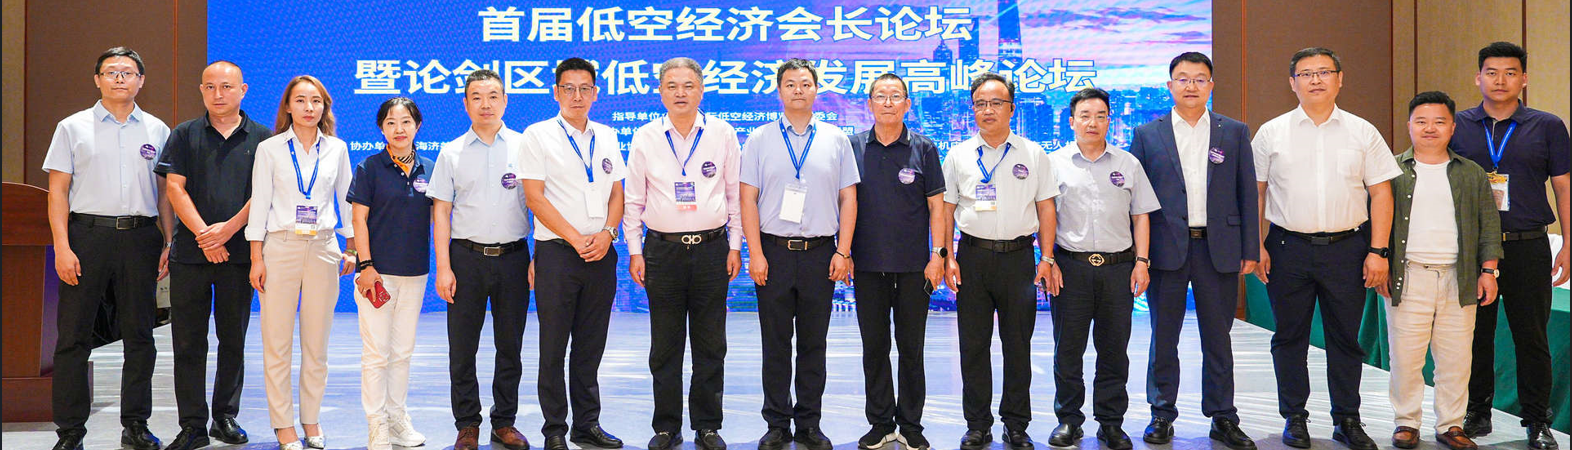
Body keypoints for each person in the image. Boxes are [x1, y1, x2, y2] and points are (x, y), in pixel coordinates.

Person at [1251, 47, 1399, 450]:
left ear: (1339, 78)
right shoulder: (1271, 132)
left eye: (1324, 72)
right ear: (1292, 82)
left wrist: (1378, 250)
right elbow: (1256, 193)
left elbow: (1381, 194)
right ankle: (1294, 418)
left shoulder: (1362, 131)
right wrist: (1256, 244)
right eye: (1306, 73)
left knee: (1345, 339)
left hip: (1348, 248)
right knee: (1289, 337)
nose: (1315, 80)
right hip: (1287, 247)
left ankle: (1347, 419)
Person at [43, 46, 172, 450]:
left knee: (140, 335)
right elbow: (57, 192)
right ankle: (70, 431)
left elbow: (165, 193)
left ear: (141, 81)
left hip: (140, 237)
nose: (120, 78)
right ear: (97, 79)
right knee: (73, 336)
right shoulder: (72, 127)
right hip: (86, 237)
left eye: (128, 72)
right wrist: (62, 247)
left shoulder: (157, 130)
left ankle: (135, 425)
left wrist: (168, 241)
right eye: (111, 71)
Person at [1128, 52, 1258, 450]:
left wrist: (1250, 247)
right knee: (1163, 337)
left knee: (1218, 337)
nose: (1191, 86)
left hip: (1218, 249)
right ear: (1169, 86)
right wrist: (1139, 256)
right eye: (1183, 79)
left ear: (1211, 86)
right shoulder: (1147, 134)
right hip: (1165, 249)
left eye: (1200, 79)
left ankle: (1223, 417)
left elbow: (1247, 192)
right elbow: (1135, 200)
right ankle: (1161, 413)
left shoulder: (1233, 131)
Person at [1452, 41, 1568, 450]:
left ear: (1524, 79)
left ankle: (1537, 421)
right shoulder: (1458, 124)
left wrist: (1569, 244)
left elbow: (1563, 186)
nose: (1500, 80)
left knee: (1531, 337)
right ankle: (1476, 411)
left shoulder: (1547, 125)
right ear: (1477, 78)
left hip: (1527, 244)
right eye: (1491, 72)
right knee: (1474, 334)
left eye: (1510, 73)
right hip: (1471, 247)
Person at [741, 58, 860, 450]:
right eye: (790, 84)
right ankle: (777, 423)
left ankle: (809, 423)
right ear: (779, 91)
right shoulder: (759, 139)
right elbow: (747, 199)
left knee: (813, 344)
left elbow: (848, 198)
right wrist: (755, 253)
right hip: (773, 252)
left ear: (815, 90)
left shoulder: (836, 139)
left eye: (805, 83)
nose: (798, 90)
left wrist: (843, 250)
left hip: (819, 254)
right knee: (775, 344)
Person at [623, 57, 741, 450]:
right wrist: (635, 251)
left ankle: (707, 425)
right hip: (662, 251)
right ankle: (666, 426)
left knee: (711, 343)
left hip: (712, 249)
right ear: (660, 92)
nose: (680, 93)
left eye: (688, 85)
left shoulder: (722, 133)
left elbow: (734, 195)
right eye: (672, 86)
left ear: (701, 90)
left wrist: (735, 245)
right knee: (665, 344)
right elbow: (634, 200)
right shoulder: (645, 136)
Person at [156, 60, 269, 450]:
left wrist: (227, 230)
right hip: (190, 254)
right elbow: (174, 188)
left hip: (239, 255)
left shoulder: (263, 138)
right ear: (201, 90)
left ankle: (225, 416)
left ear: (243, 90)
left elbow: (265, 194)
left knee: (232, 339)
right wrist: (206, 235)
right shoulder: (184, 134)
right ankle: (192, 425)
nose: (218, 94)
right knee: (188, 342)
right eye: (210, 87)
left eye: (226, 86)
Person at [942, 72, 1058, 450]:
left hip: (1019, 258)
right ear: (972, 109)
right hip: (972, 257)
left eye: (996, 103)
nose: (988, 110)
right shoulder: (958, 155)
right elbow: (945, 210)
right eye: (980, 104)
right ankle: (977, 424)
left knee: (1017, 344)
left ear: (1012, 108)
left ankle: (1016, 424)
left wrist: (1047, 257)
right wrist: (946, 256)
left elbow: (1046, 208)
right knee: (973, 345)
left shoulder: (1033, 153)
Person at [520, 57, 628, 450]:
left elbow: (617, 192)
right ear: (556, 92)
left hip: (601, 252)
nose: (577, 96)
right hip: (558, 254)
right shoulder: (538, 135)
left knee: (590, 344)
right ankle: (554, 430)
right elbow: (535, 197)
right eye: (569, 88)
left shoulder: (607, 135)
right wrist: (575, 238)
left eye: (585, 89)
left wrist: (608, 233)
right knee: (553, 346)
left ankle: (587, 424)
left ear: (595, 93)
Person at [1383, 91, 1501, 450]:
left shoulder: (1472, 173)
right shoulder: (1391, 170)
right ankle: (1406, 422)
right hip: (1408, 275)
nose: (1429, 128)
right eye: (1421, 121)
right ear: (1409, 125)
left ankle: (1451, 424)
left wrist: (1489, 271)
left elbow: (1489, 225)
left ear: (1452, 127)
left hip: (1459, 276)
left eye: (1438, 122)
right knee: (1406, 357)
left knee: (1456, 358)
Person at [1045, 87, 1160, 450]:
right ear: (1071, 121)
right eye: (1085, 115)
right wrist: (1048, 260)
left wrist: (1142, 262)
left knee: (1113, 350)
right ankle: (1069, 420)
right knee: (1068, 349)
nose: (1092, 122)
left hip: (1118, 268)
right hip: (1070, 267)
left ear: (1110, 120)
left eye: (1100, 116)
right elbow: (1043, 216)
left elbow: (1141, 216)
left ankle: (1111, 423)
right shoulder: (1053, 163)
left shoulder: (1128, 164)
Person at [245, 75, 357, 450]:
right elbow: (260, 204)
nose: (309, 108)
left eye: (316, 101)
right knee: (277, 342)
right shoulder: (270, 149)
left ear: (325, 107)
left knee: (317, 344)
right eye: (301, 100)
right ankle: (283, 424)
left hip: (324, 247)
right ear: (288, 106)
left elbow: (347, 201)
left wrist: (352, 247)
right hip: (280, 247)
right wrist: (256, 257)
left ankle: (311, 418)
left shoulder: (337, 148)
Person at [427, 69, 533, 450]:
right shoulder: (451, 152)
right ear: (465, 103)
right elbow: (441, 212)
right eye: (476, 97)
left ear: (505, 101)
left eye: (492, 96)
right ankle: (467, 424)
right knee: (462, 348)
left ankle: (504, 421)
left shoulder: (525, 147)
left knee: (510, 346)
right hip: (465, 258)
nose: (485, 104)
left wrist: (536, 257)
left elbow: (539, 204)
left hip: (514, 257)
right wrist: (443, 267)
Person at [848, 73, 944, 450]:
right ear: (869, 104)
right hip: (867, 265)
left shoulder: (924, 148)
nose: (888, 102)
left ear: (907, 104)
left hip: (913, 267)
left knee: (911, 348)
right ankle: (880, 423)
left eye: (895, 96)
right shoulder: (853, 147)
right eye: (880, 96)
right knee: (874, 348)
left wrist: (937, 255)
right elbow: (844, 204)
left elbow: (937, 207)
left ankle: (911, 424)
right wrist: (844, 252)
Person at [348, 97, 433, 450]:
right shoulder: (369, 167)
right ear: (381, 128)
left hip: (415, 273)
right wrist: (366, 266)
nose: (399, 129)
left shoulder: (430, 168)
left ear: (417, 126)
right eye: (391, 123)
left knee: (402, 352)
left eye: (406, 122)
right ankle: (377, 424)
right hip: (377, 276)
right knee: (376, 354)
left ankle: (397, 419)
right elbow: (359, 220)